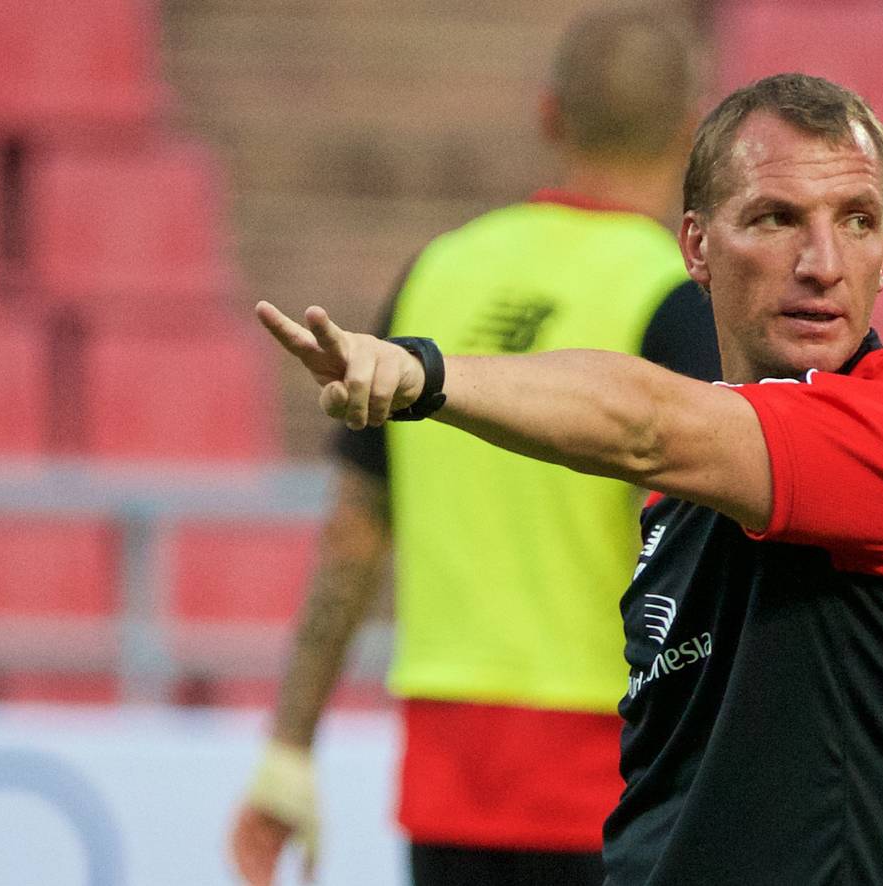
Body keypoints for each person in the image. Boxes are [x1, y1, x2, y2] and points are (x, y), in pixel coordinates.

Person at [256, 72, 883, 885]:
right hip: (481, 777)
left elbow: (647, 424)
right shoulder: (684, 494)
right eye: (776, 219)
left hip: (528, 779)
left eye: (858, 222)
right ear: (697, 246)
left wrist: (424, 375)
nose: (822, 263)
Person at [230, 9, 719, 886]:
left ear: (547, 117)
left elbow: (353, 531)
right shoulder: (674, 300)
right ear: (690, 131)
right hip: (614, 776)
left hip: (446, 771)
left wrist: (288, 752)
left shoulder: (436, 273)